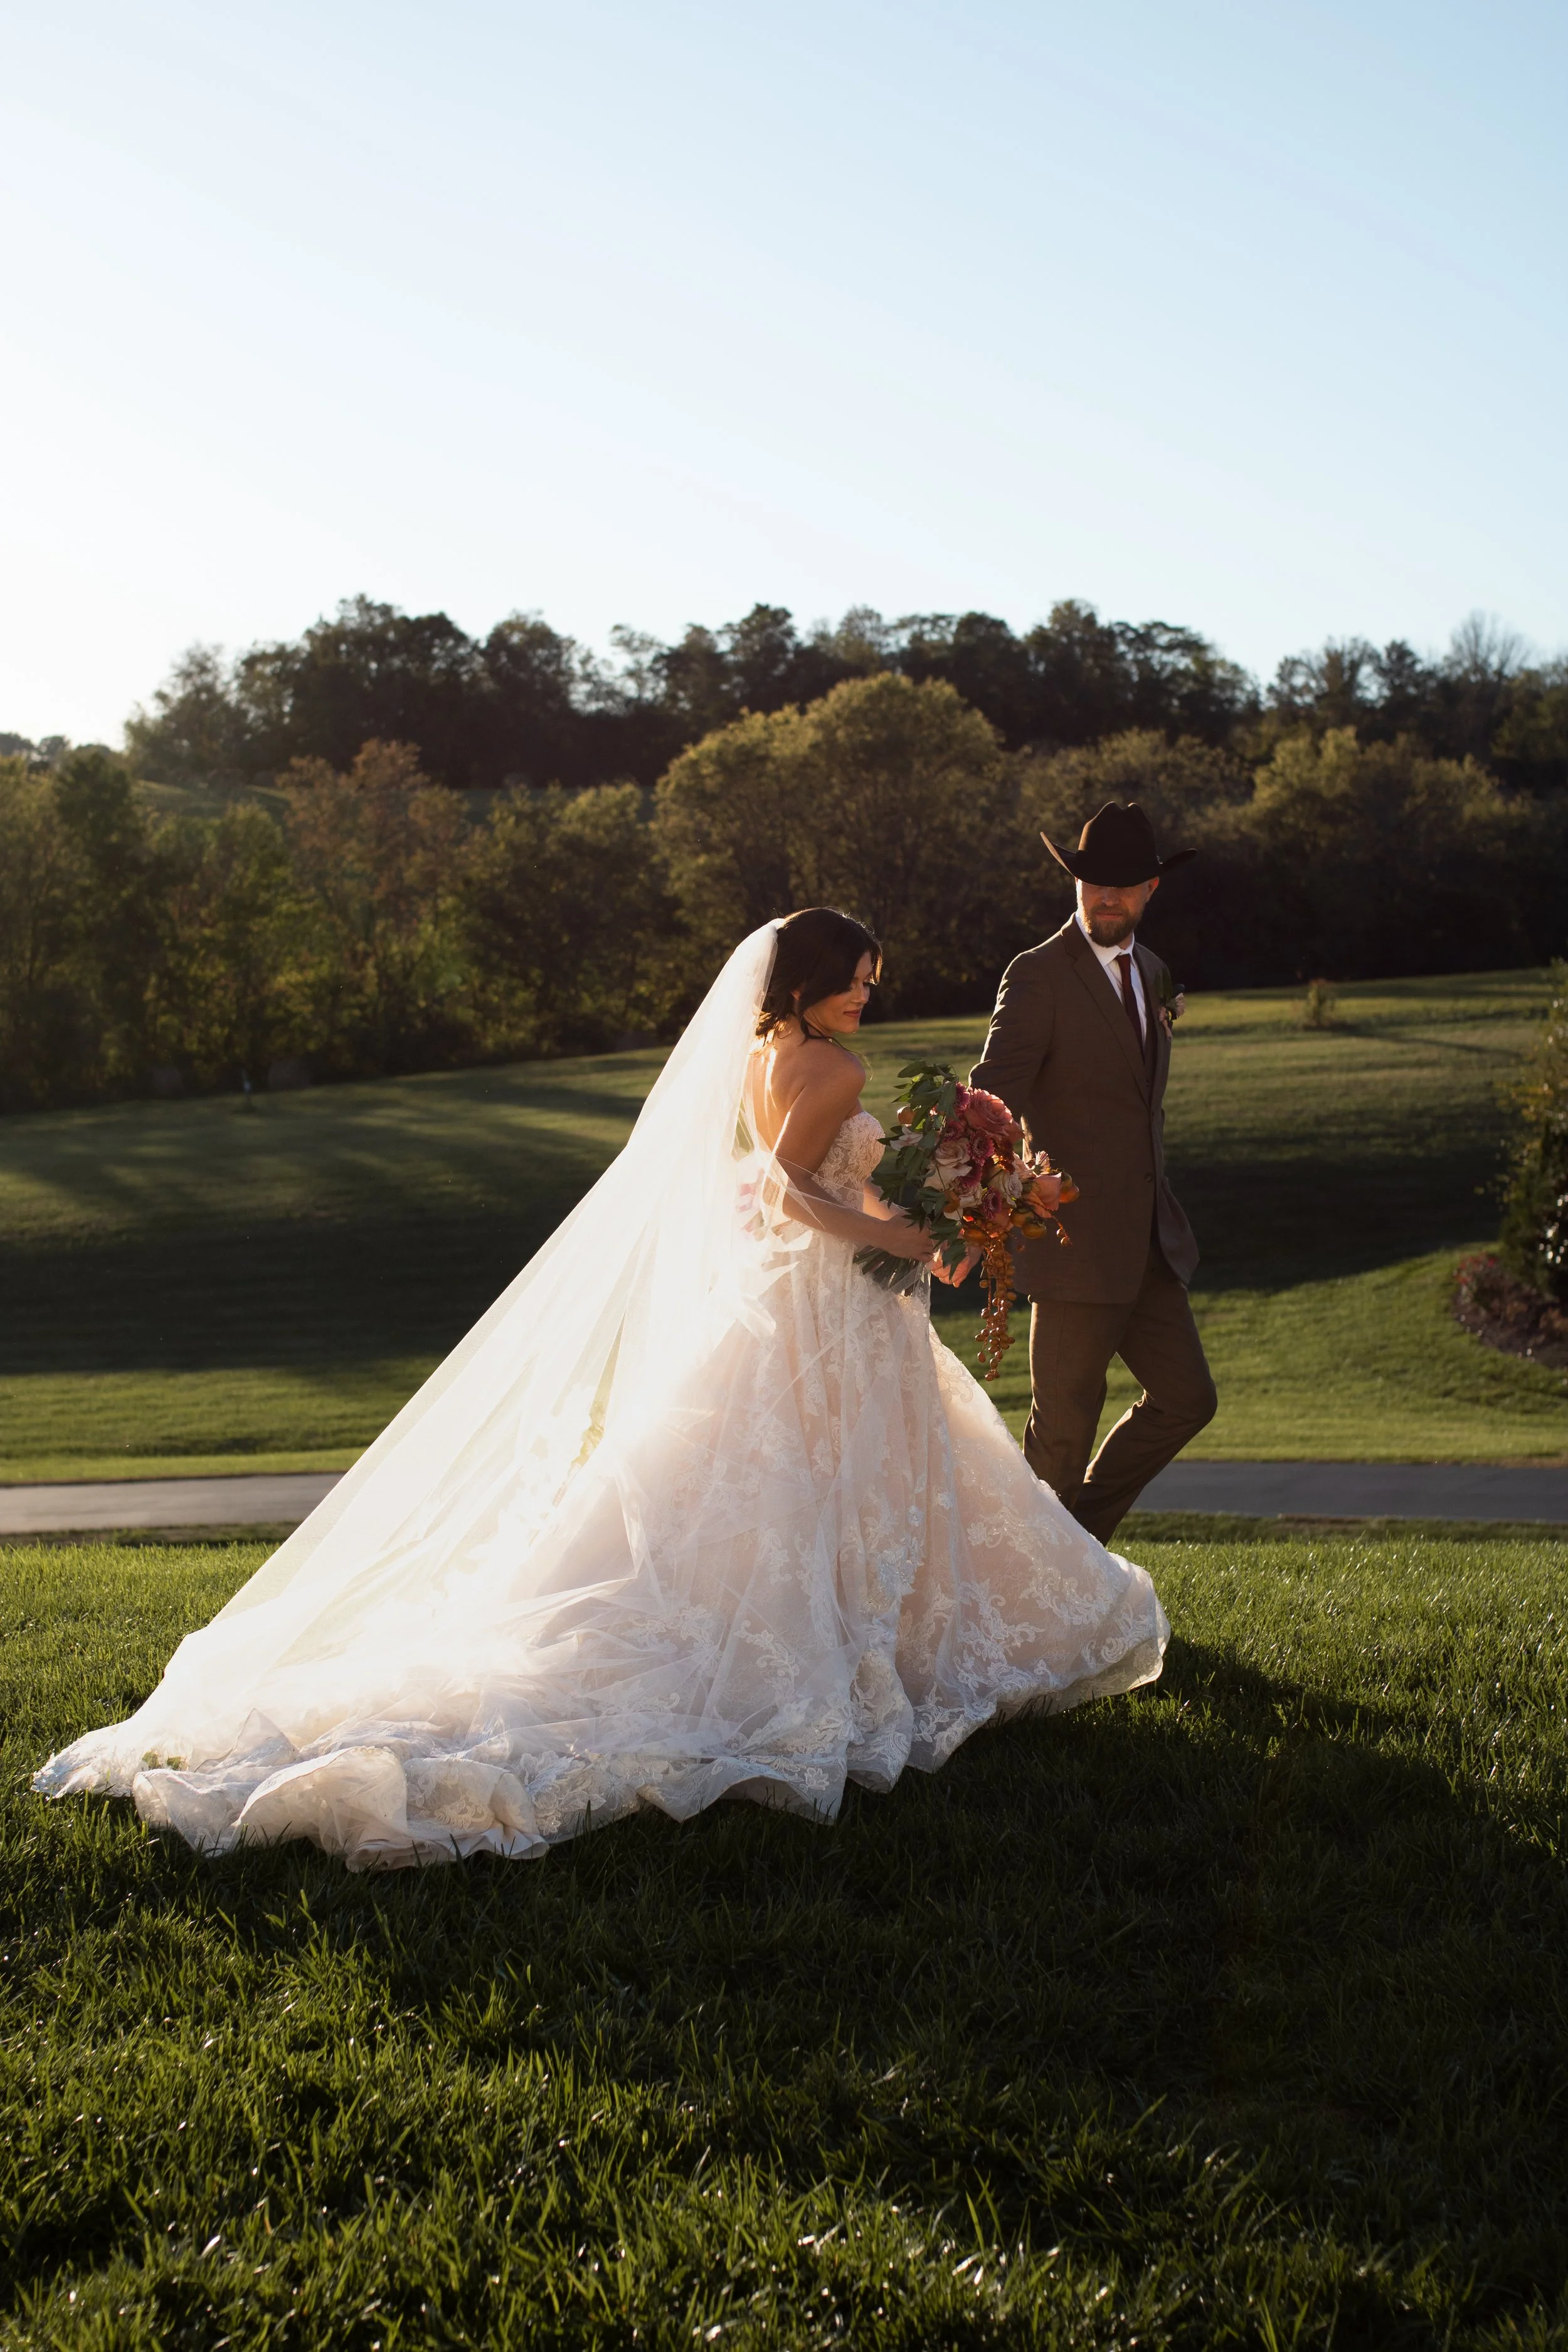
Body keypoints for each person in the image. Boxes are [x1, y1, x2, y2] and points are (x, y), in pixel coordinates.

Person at [36, 909, 1168, 1870]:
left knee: (796, 1479)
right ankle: (883, 1641)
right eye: (858, 981)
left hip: (800, 1299)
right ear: (811, 983)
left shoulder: (761, 1055)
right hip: (832, 1303)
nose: (870, 997)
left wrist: (917, 1214)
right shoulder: (835, 1067)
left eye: (874, 984)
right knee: (846, 1473)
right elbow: (784, 1194)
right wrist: (917, 1238)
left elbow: (776, 1180)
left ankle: (876, 1626)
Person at [970, 802, 1217, 1543]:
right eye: (1090, 883)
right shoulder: (1039, 974)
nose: (1104, 898)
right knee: (1061, 1438)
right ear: (1074, 884)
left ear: (1150, 889)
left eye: (1121, 885)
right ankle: (1023, 1597)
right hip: (1071, 1242)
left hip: (1148, 1242)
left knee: (1187, 1399)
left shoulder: (1152, 971)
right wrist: (1014, 1188)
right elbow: (988, 1104)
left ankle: (1074, 1548)